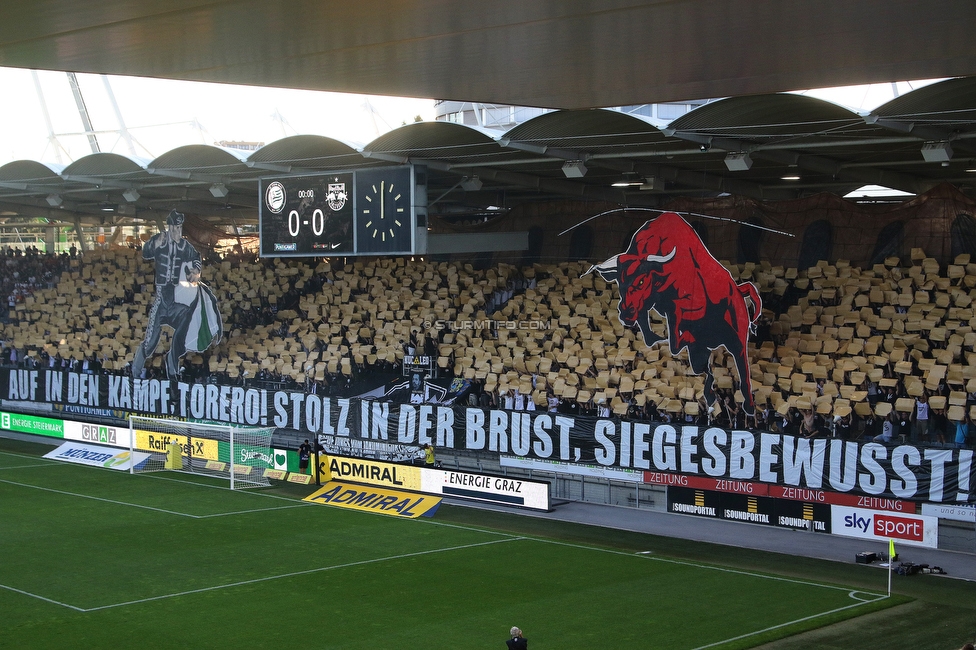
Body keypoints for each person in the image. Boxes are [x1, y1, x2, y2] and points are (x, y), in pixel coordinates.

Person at [131, 210, 222, 378]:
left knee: (186, 318)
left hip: (177, 298)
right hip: (162, 298)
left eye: (179, 227)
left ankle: (172, 364)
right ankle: (135, 372)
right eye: (175, 227)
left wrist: (196, 270)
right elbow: (146, 253)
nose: (177, 231)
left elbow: (196, 257)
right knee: (150, 343)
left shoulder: (185, 246)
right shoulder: (161, 240)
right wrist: (154, 244)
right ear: (170, 226)